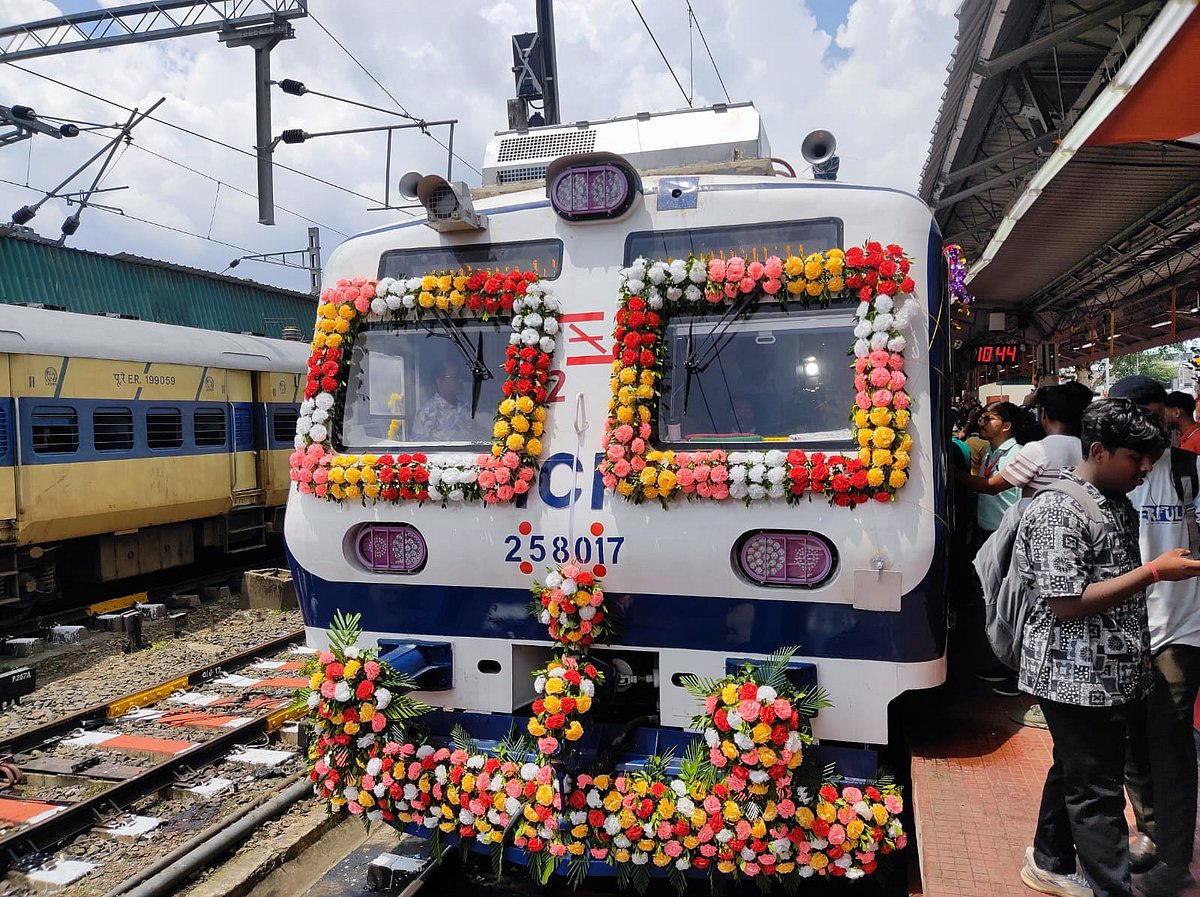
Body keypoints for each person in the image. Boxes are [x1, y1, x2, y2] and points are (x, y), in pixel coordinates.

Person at [1014, 398, 1200, 897]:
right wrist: (1156, 572)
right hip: (1073, 678)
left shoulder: (1114, 501)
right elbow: (1067, 603)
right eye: (1135, 459)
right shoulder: (1058, 510)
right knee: (1097, 795)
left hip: (1110, 673)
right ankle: (1110, 887)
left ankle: (1051, 859)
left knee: (1078, 769)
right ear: (1098, 450)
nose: (1144, 470)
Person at [1112, 377, 1200, 897]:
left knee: (1169, 746)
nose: (1151, 426)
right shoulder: (1113, 475)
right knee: (1131, 742)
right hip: (1122, 632)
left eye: (1155, 413)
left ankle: (1175, 857)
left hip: (1180, 630)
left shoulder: (1189, 473)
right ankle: (1151, 831)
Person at [958, 386, 1092, 697]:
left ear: (1045, 415)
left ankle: (1019, 671)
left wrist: (947, 474)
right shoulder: (1087, 448)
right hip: (1075, 534)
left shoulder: (1038, 450)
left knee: (1022, 605)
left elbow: (993, 486)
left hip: (1037, 535)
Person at [412, 359, 475, 442]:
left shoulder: (465, 408)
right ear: (439, 381)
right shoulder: (427, 412)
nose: (460, 380)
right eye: (455, 378)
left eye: (460, 377)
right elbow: (419, 447)